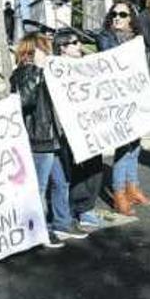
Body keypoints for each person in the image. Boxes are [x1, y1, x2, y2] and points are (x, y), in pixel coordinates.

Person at [12, 33, 87, 246]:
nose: (49, 52)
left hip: (54, 137)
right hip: (39, 138)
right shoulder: (23, 73)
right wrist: (36, 69)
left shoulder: (47, 71)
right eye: (45, 48)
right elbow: (25, 100)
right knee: (40, 186)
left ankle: (62, 221)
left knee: (61, 182)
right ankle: (39, 228)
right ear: (34, 51)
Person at [96, 1, 150, 216]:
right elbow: (112, 59)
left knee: (135, 147)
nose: (117, 18)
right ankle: (119, 194)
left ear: (131, 18)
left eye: (122, 14)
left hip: (137, 99)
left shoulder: (138, 39)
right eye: (114, 14)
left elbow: (144, 71)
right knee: (123, 148)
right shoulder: (105, 37)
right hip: (117, 102)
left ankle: (133, 188)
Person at [54, 31, 104, 231]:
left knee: (95, 166)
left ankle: (87, 206)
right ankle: (81, 208)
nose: (79, 45)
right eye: (73, 43)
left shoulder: (86, 64)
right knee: (77, 169)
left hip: (92, 124)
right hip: (71, 128)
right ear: (62, 48)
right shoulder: (55, 70)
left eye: (79, 41)